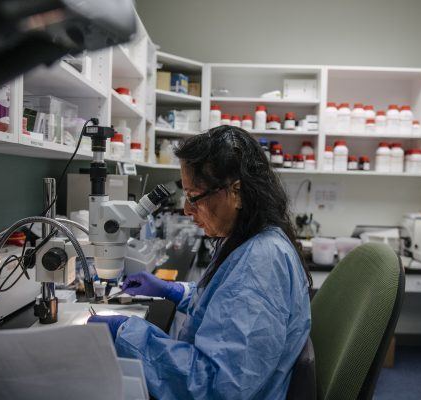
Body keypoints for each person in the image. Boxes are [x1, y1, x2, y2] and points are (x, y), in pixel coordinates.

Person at [88, 125, 312, 399]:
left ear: (236, 192)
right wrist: (172, 290)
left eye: (194, 196)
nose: (186, 208)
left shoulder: (260, 264)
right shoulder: (253, 240)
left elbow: (214, 386)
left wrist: (125, 333)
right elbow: (226, 303)